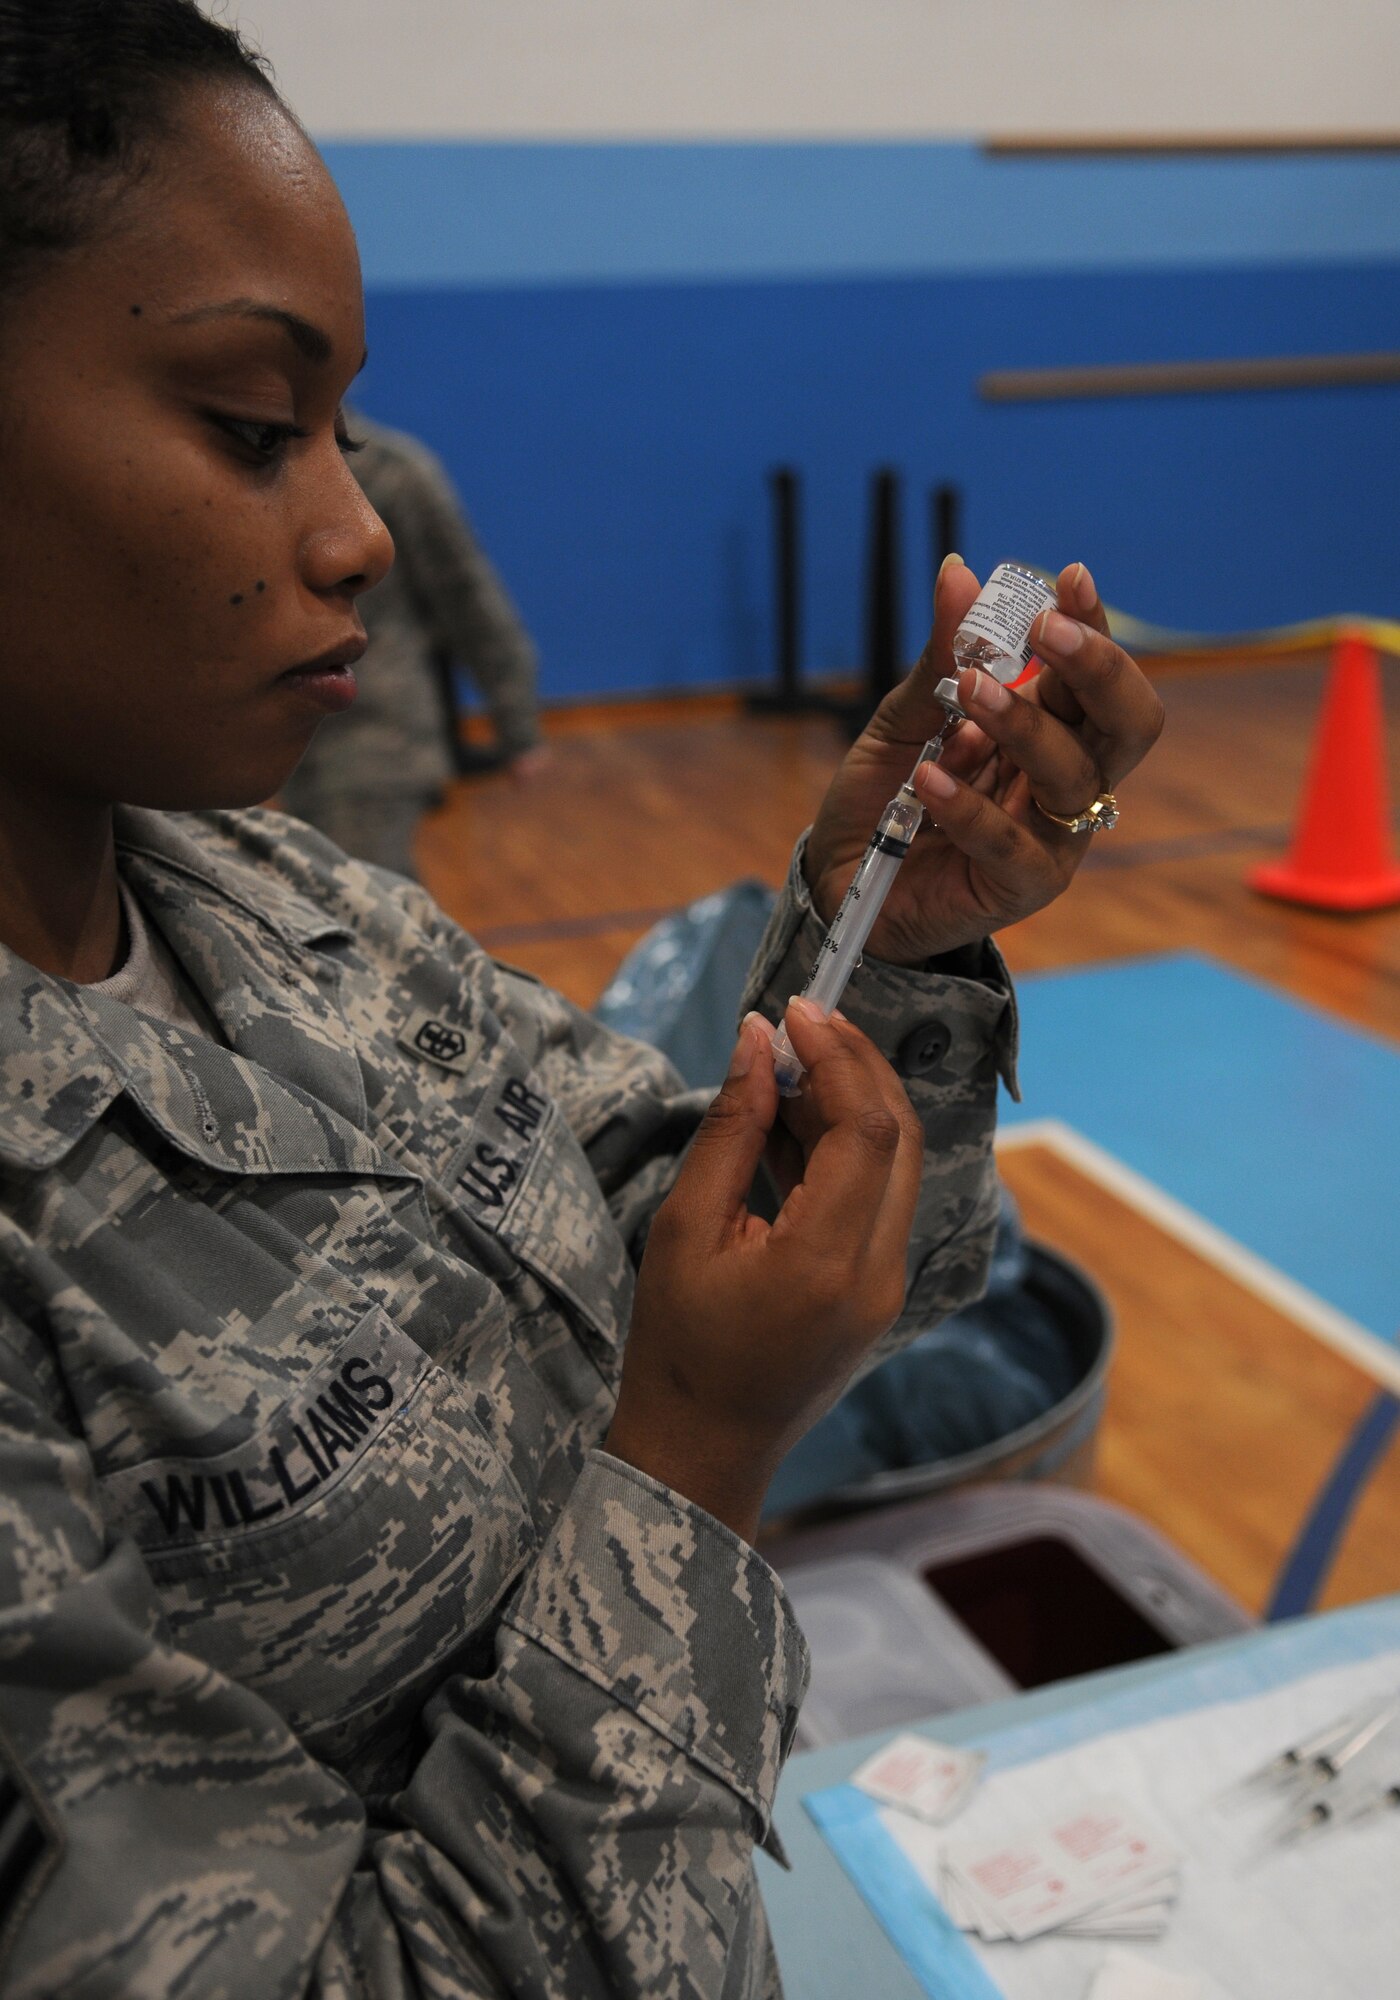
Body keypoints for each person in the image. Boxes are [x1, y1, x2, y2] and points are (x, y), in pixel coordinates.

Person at [0, 5, 1165, 1996]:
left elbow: (684, 1211)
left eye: (344, 433)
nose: (361, 527)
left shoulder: (264, 893)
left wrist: (892, 935)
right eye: (252, 424)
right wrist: (686, 1463)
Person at [280, 409, 549, 878]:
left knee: (368, 914)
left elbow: (468, 597)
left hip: (374, 739)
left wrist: (517, 724)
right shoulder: (247, 469)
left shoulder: (391, 472)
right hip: (289, 740)